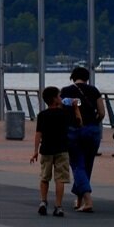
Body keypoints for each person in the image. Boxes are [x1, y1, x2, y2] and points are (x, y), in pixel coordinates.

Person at [30, 85, 81, 217]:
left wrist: (35, 151)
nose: (61, 98)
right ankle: (58, 206)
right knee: (60, 178)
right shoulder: (64, 114)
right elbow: (79, 123)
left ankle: (43, 201)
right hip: (62, 149)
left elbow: (38, 134)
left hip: (46, 149)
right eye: (59, 96)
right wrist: (75, 108)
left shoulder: (42, 115)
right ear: (54, 99)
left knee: (44, 177)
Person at [61, 66, 106, 212]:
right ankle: (79, 199)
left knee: (77, 165)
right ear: (87, 77)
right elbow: (102, 112)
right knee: (87, 165)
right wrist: (94, 121)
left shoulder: (66, 91)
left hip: (73, 131)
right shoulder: (94, 90)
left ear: (73, 77)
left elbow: (61, 111)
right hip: (92, 131)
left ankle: (87, 201)